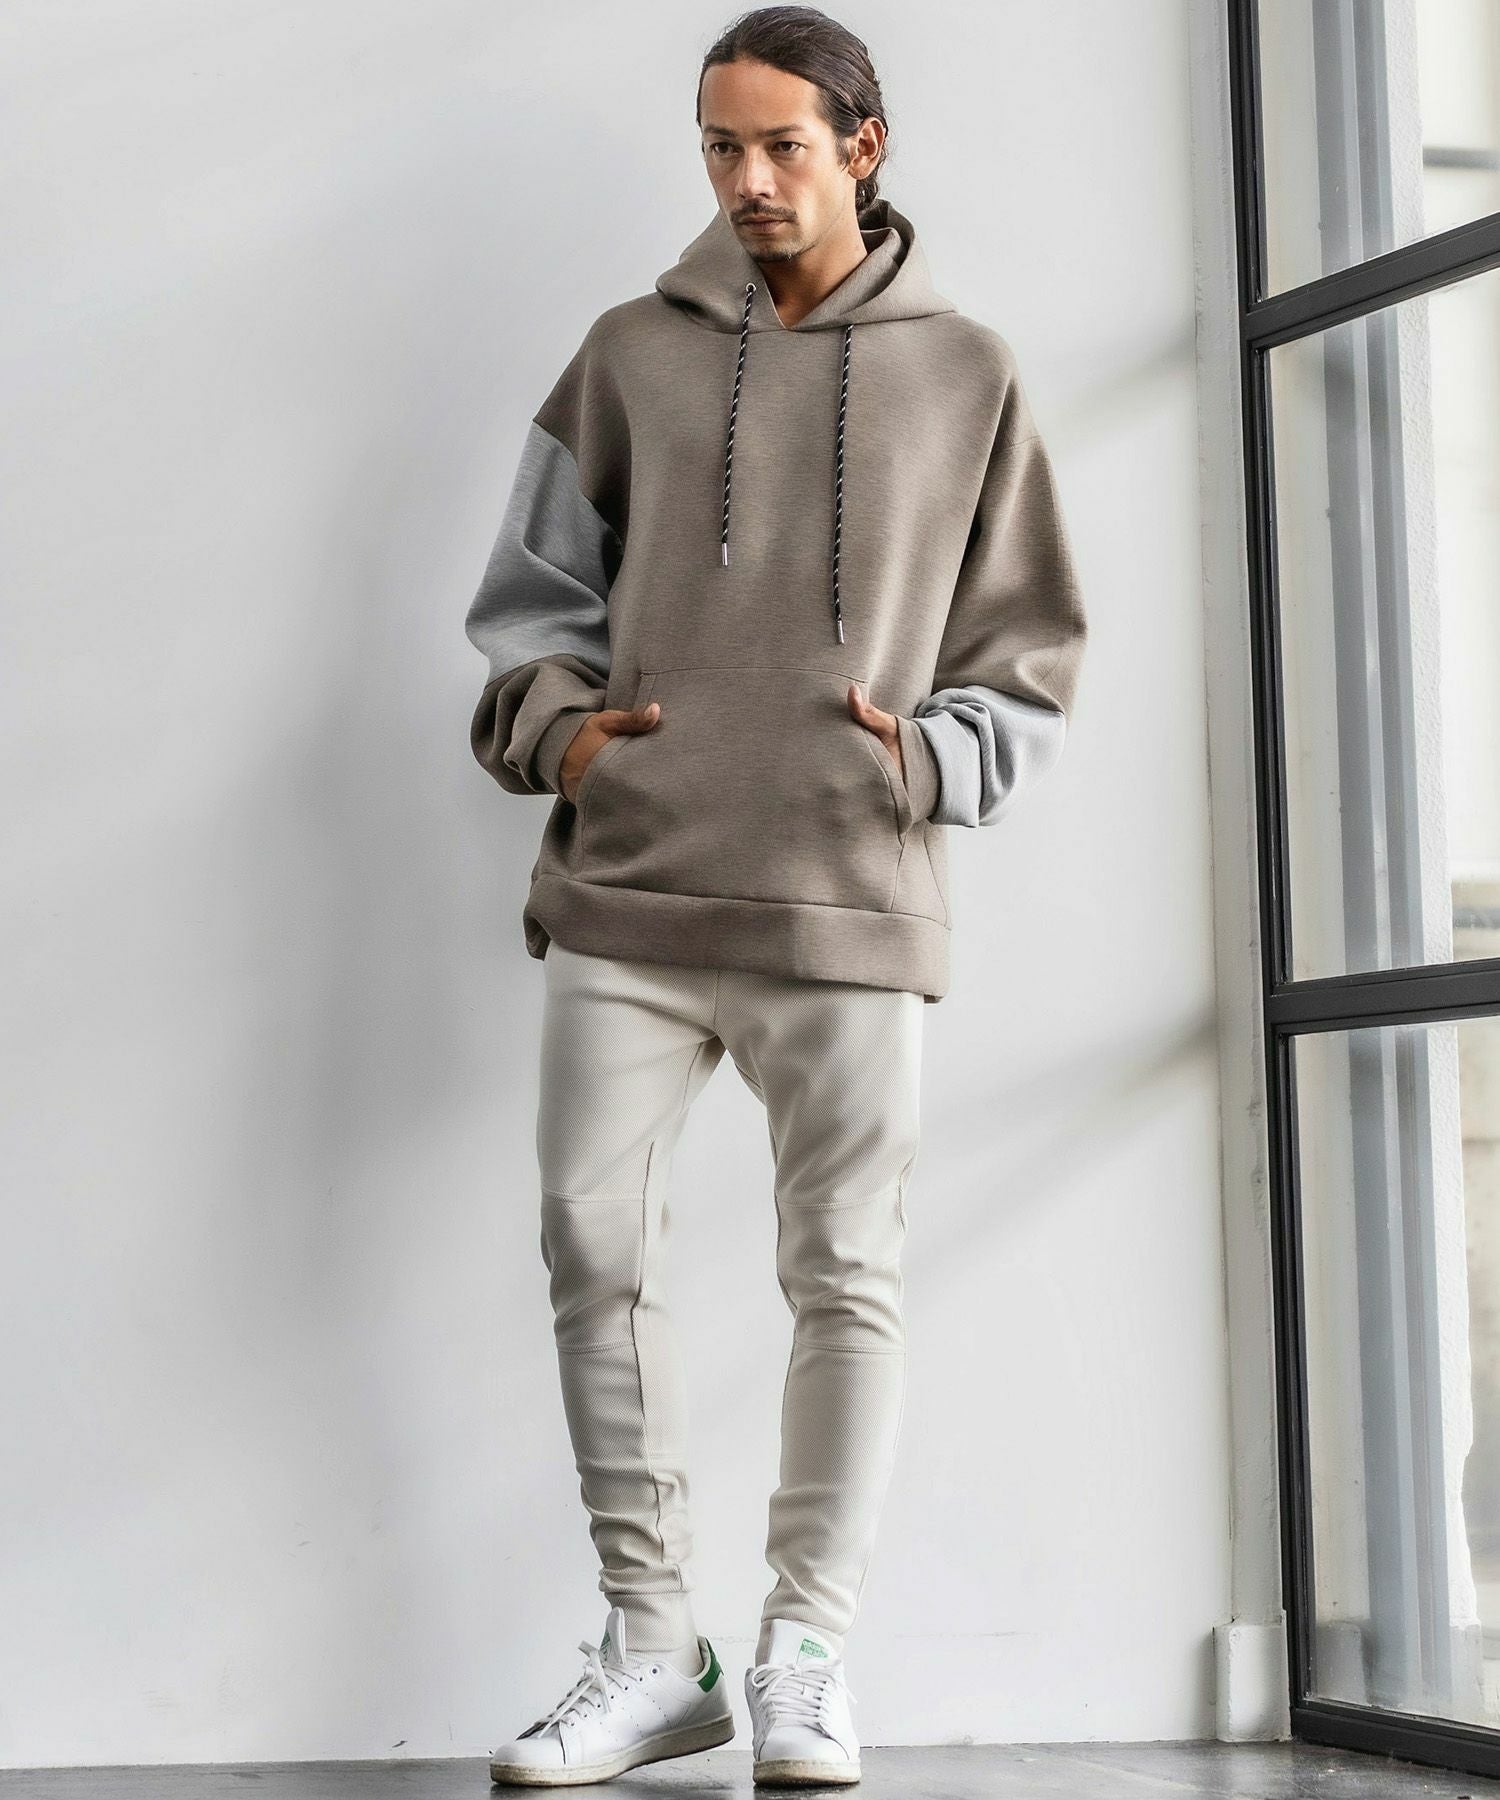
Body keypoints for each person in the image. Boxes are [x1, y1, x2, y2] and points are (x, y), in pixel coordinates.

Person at [466, 5, 1087, 1787]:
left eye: (780, 146)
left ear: (861, 147)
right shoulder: (626, 356)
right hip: (631, 891)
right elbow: (525, 610)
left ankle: (806, 1648)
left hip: (844, 892)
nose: (745, 180)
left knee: (847, 1277)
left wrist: (927, 765)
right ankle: (651, 1649)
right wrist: (567, 740)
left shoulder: (967, 373)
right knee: (594, 1253)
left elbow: (1031, 646)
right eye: (719, 146)